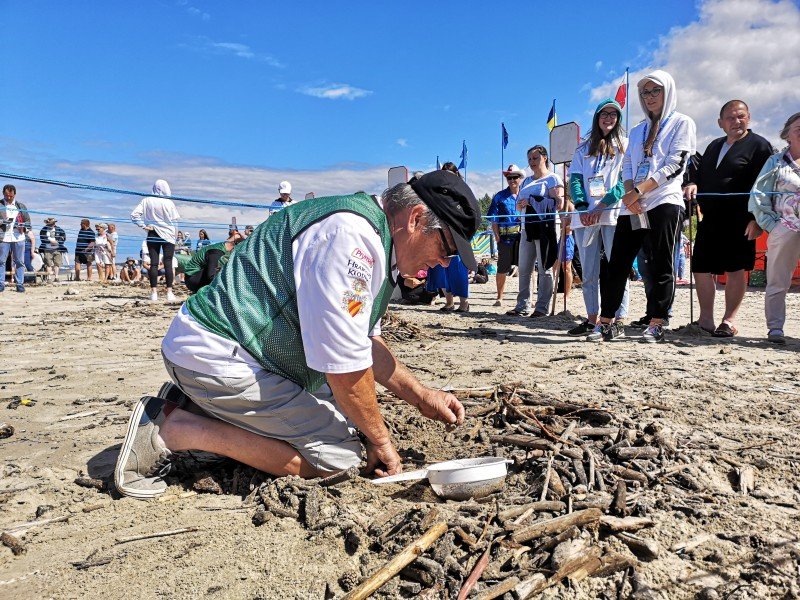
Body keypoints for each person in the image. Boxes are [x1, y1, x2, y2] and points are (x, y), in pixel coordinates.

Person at [114, 171, 480, 499]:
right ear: (416, 220)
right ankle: (175, 429)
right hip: (220, 355)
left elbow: (365, 344)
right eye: (447, 248)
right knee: (342, 459)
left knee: (347, 417)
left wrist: (421, 396)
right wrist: (379, 439)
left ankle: (197, 403)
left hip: (222, 351)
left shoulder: (370, 234)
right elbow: (347, 371)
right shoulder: (352, 240)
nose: (445, 263)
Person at [597, 70, 696, 343]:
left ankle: (657, 321)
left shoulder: (681, 123)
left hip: (664, 199)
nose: (650, 97)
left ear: (668, 92)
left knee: (661, 262)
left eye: (656, 91)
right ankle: (608, 320)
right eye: (645, 92)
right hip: (633, 204)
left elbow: (676, 164)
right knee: (617, 263)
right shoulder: (638, 129)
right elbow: (627, 163)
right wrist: (631, 193)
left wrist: (640, 191)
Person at [682, 100, 774, 337]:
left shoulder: (760, 146)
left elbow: (766, 186)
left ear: (749, 117)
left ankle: (729, 320)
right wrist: (692, 182)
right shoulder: (714, 146)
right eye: (731, 118)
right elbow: (698, 173)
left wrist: (758, 220)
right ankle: (705, 320)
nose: (737, 121)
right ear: (720, 123)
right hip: (710, 219)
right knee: (700, 268)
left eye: (741, 116)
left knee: (735, 269)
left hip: (741, 220)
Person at [568, 99, 630, 339]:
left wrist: (603, 205)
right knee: (590, 270)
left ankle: (618, 319)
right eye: (604, 114)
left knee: (618, 268)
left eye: (614, 114)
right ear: (596, 117)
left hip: (614, 214)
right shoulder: (583, 148)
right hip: (585, 217)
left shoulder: (625, 145)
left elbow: (626, 180)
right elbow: (575, 180)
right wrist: (583, 207)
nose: (609, 118)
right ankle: (592, 318)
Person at [748, 112, 800, 345]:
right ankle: (775, 328)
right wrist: (771, 225)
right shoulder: (776, 161)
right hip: (785, 226)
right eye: (798, 126)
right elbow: (759, 195)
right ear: (787, 133)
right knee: (778, 279)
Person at [506, 146, 564, 317]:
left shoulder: (553, 178)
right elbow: (518, 205)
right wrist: (523, 203)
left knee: (545, 267)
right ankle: (522, 305)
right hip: (526, 227)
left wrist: (532, 200)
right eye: (530, 159)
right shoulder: (525, 181)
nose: (532, 162)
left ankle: (541, 307)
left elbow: (557, 203)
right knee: (524, 267)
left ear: (544, 158)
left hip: (546, 227)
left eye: (535, 158)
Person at [425, 163, 470, 312]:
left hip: (457, 234)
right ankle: (449, 302)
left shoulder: (463, 191)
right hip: (440, 234)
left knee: (458, 268)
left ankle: (464, 303)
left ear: (456, 174)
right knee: (441, 268)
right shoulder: (438, 192)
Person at [131, 179, 180, 302]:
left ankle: (154, 293)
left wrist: (143, 225)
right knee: (168, 263)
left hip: (152, 233)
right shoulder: (169, 202)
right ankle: (169, 292)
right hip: (168, 235)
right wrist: (175, 237)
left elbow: (134, 215)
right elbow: (175, 221)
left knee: (154, 263)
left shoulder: (146, 200)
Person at [487, 164, 524, 307]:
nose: (512, 180)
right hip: (505, 238)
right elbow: (494, 218)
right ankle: (500, 297)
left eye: (515, 177)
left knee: (527, 268)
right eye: (509, 177)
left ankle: (528, 298)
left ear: (520, 178)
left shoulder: (526, 194)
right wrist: (496, 236)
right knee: (502, 268)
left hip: (523, 237)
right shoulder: (500, 196)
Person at [0, 184, 32, 293]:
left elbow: (28, 222)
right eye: (6, 195)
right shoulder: (0, 205)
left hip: (19, 237)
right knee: (1, 261)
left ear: (15, 194)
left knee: (20, 262)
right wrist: (3, 222)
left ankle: (20, 284)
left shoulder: (21, 206)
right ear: (3, 194)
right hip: (3, 237)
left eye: (11, 196)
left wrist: (24, 227)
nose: (8, 198)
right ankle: (1, 284)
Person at [38, 217, 67, 282]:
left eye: (52, 223)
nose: (51, 225)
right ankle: (49, 277)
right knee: (48, 263)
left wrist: (58, 242)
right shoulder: (43, 230)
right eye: (50, 224)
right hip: (47, 249)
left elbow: (63, 237)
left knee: (57, 263)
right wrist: (50, 241)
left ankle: (56, 277)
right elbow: (42, 239)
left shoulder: (59, 229)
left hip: (57, 249)